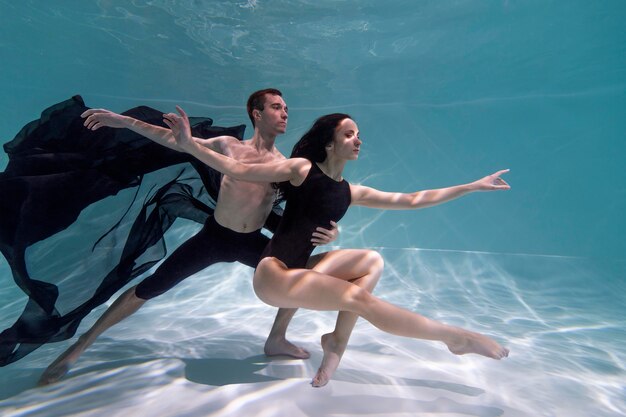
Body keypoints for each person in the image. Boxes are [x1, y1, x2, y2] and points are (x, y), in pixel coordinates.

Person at [37, 89, 385, 386]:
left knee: (295, 272)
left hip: (253, 242)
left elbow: (310, 206)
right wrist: (125, 121)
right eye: (277, 107)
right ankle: (81, 344)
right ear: (256, 113)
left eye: (286, 109)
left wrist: (332, 230)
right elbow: (176, 141)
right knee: (152, 286)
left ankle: (276, 338)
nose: (284, 113)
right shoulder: (229, 146)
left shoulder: (286, 163)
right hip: (215, 237)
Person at [165, 107, 511, 386]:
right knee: (356, 298)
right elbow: (236, 167)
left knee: (371, 261)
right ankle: (453, 337)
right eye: (349, 134)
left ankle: (335, 343)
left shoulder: (350, 191)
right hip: (273, 276)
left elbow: (412, 200)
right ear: (330, 144)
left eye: (359, 135)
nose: (358, 140)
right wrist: (190, 144)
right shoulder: (302, 169)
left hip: (299, 270)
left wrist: (472, 186)